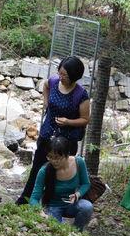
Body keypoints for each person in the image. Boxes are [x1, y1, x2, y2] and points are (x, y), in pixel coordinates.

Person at [16, 56, 91, 205]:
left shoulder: (80, 94)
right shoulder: (54, 81)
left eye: (65, 75)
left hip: (66, 140)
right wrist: (46, 102)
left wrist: (68, 121)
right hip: (47, 134)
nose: (61, 77)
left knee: (58, 172)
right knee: (37, 168)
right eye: (60, 73)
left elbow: (85, 119)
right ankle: (26, 200)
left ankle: (52, 204)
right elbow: (45, 85)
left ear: (75, 76)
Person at [29, 135, 94, 230]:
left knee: (87, 207)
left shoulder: (78, 162)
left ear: (67, 155)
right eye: (50, 157)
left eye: (58, 157)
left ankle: (77, 232)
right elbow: (34, 198)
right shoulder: (44, 171)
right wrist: (40, 212)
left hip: (72, 205)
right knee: (56, 230)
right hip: (53, 206)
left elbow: (86, 184)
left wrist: (77, 194)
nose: (54, 161)